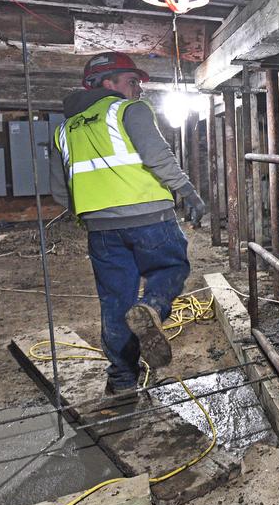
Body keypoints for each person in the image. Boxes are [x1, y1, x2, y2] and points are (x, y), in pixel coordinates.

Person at [50, 52, 206, 400]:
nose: (138, 89)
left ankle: (122, 379)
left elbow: (60, 191)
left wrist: (92, 212)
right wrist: (189, 193)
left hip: (100, 229)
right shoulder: (127, 110)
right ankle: (152, 307)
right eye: (132, 81)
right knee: (171, 266)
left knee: (114, 301)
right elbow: (157, 156)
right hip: (150, 217)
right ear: (108, 84)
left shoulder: (63, 130)